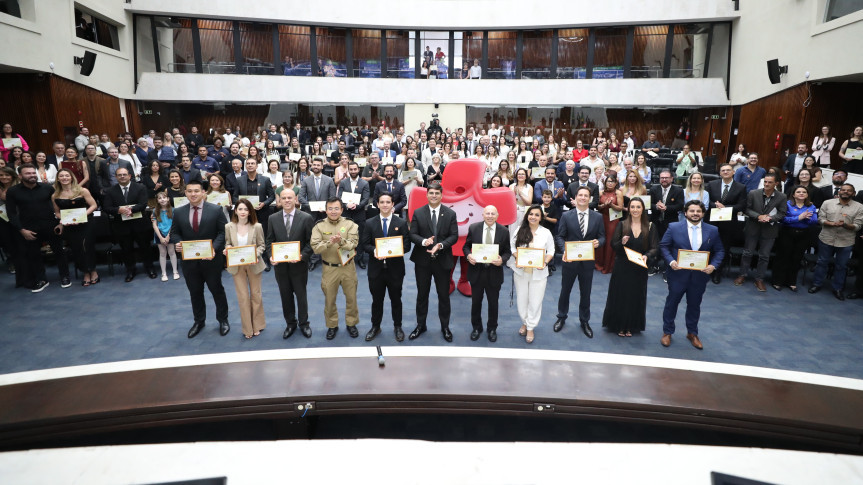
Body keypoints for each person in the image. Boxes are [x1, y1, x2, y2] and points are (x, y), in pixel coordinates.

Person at [659, 200, 724, 349]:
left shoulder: (712, 230)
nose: (695, 214)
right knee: (672, 303)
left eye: (698, 211)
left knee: (694, 305)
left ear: (703, 213)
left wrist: (713, 265)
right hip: (677, 274)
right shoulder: (674, 227)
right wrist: (670, 262)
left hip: (699, 276)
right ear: (685, 212)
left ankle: (692, 333)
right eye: (692, 211)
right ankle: (667, 332)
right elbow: (664, 246)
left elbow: (720, 250)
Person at [170, 179, 230, 338]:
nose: (193, 194)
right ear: (185, 193)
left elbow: (223, 233)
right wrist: (177, 243)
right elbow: (175, 233)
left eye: (196, 191)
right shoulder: (179, 211)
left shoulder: (216, 210)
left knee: (217, 290)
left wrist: (213, 248)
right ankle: (199, 321)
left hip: (211, 260)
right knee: (195, 292)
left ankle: (223, 320)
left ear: (204, 192)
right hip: (189, 262)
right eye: (189, 191)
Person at [5, 164, 71, 291]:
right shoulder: (13, 192)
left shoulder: (47, 188)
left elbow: (58, 206)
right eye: (28, 173)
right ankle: (42, 279)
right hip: (29, 229)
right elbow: (11, 213)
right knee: (34, 255)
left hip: (51, 226)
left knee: (60, 253)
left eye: (33, 173)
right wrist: (21, 230)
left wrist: (61, 223)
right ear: (20, 176)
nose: (32, 175)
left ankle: (65, 276)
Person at [408, 182, 458, 342]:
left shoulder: (450, 213)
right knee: (422, 295)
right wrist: (423, 242)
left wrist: (441, 245)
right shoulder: (418, 212)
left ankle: (445, 326)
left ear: (441, 195)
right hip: (422, 262)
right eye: (431, 193)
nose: (434, 196)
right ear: (427, 195)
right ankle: (420, 325)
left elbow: (454, 236)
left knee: (444, 295)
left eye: (437, 193)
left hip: (443, 261)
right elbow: (412, 234)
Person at [602, 198, 659, 336]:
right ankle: (620, 325)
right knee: (621, 295)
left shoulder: (650, 226)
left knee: (635, 296)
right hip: (622, 265)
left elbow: (655, 248)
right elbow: (613, 245)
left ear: (642, 209)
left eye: (638, 207)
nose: (635, 210)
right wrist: (621, 242)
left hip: (639, 266)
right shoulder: (622, 225)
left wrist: (647, 256)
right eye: (632, 207)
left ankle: (631, 326)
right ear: (628, 209)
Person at [554, 186, 605, 338]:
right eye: (580, 195)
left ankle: (584, 321)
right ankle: (561, 317)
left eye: (586, 195)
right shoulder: (566, 216)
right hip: (570, 261)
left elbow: (603, 237)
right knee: (565, 291)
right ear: (575, 197)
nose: (583, 198)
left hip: (588, 262)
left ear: (589, 199)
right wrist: (564, 251)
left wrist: (599, 243)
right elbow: (560, 237)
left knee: (586, 293)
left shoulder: (598, 217)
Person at [360, 192, 411, 342]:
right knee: (377, 300)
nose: (385, 205)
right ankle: (375, 326)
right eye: (382, 202)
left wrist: (394, 251)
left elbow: (407, 246)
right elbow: (365, 244)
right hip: (376, 270)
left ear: (392, 204)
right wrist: (375, 251)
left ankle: (398, 326)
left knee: (396, 299)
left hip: (395, 269)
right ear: (377, 204)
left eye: (388, 202)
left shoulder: (401, 223)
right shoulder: (370, 223)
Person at [311, 197, 360, 340]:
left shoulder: (350, 224)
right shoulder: (319, 226)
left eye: (336, 208)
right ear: (326, 210)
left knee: (351, 298)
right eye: (330, 208)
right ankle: (332, 325)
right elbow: (315, 248)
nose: (333, 211)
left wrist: (341, 241)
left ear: (342, 210)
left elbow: (353, 243)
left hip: (347, 267)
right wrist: (328, 243)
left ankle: (351, 323)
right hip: (329, 268)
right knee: (330, 299)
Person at [268, 189, 315, 339]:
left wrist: (302, 256)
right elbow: (269, 241)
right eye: (283, 198)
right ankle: (290, 323)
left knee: (301, 296)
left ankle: (304, 323)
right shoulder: (272, 218)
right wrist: (270, 256)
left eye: (290, 197)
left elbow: (311, 242)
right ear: (279, 200)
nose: (287, 200)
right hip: (280, 267)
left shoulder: (306, 218)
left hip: (298, 266)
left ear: (296, 199)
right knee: (285, 296)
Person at [464, 205, 512, 342]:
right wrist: (468, 256)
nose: (490, 216)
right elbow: (466, 246)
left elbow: (507, 251)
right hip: (476, 273)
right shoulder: (473, 228)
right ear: (483, 215)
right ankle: (476, 328)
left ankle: (492, 329)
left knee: (493, 304)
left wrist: (502, 259)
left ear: (497, 216)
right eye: (487, 213)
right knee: (476, 303)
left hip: (494, 273)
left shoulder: (503, 231)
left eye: (493, 214)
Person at [507, 205, 555, 344]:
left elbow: (551, 251)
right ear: (527, 215)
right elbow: (512, 247)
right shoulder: (519, 230)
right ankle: (524, 322)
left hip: (539, 273)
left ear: (541, 218)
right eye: (531, 214)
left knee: (535, 301)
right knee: (522, 300)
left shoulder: (546, 232)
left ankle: (530, 327)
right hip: (521, 272)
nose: (533, 217)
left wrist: (545, 262)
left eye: (537, 215)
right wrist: (517, 257)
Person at [733, 173, 787, 292]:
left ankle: (759, 279)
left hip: (769, 230)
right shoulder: (753, 193)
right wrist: (759, 216)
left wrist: (770, 219)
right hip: (753, 227)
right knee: (747, 253)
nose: (767, 184)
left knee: (764, 256)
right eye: (765, 182)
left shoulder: (782, 196)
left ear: (776, 183)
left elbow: (782, 213)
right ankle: (742, 275)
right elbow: (746, 209)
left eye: (770, 182)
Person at [808, 183, 863, 300]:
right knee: (822, 262)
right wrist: (831, 223)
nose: (845, 192)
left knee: (841, 266)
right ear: (839, 192)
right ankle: (816, 284)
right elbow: (820, 219)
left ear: (853, 193)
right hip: (826, 238)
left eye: (849, 190)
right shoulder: (827, 203)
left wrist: (846, 225)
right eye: (843, 190)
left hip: (845, 241)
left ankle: (837, 288)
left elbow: (858, 225)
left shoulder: (859, 207)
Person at [102, 167, 156, 281]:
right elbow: (106, 207)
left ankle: (150, 268)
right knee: (126, 250)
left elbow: (143, 203)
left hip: (140, 224)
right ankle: (130, 270)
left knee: (145, 248)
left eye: (124, 174)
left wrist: (131, 210)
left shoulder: (140, 187)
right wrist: (119, 210)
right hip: (121, 226)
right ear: (116, 177)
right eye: (119, 175)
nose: (122, 176)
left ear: (129, 176)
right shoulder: (110, 191)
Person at [225, 199, 267, 339]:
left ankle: (258, 325)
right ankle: (247, 328)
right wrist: (227, 249)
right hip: (236, 266)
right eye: (240, 209)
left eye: (246, 209)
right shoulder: (229, 226)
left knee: (256, 295)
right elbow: (227, 243)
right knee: (243, 297)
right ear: (235, 210)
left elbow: (262, 245)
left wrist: (256, 254)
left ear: (250, 212)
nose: (243, 212)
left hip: (254, 264)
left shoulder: (257, 226)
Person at [51, 167, 99, 287]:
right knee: (76, 248)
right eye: (61, 176)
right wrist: (63, 220)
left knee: (86, 246)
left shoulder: (82, 190)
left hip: (87, 222)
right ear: (58, 179)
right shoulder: (55, 195)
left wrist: (81, 216)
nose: (64, 178)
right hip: (69, 225)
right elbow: (57, 212)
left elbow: (93, 205)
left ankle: (93, 271)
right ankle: (85, 272)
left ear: (71, 177)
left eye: (67, 175)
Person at [705, 163, 747, 283]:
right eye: (723, 170)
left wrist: (725, 207)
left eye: (728, 170)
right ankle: (707, 270)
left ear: (733, 172)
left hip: (728, 223)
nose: (725, 172)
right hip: (712, 221)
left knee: (723, 248)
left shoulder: (741, 187)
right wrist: (716, 205)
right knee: (709, 246)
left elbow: (741, 205)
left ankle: (717, 272)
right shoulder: (712, 184)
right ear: (720, 173)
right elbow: (707, 202)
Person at [771, 186, 818, 291]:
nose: (801, 193)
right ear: (793, 194)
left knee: (796, 258)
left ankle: (791, 281)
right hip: (787, 233)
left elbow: (814, 221)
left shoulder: (811, 206)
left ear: (807, 195)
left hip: (803, 235)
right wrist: (799, 218)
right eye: (798, 192)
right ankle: (777, 281)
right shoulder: (787, 204)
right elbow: (783, 219)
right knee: (783, 257)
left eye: (804, 192)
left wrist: (802, 219)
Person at [299, 159, 337, 271]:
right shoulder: (306, 180)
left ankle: (328, 257)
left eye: (318, 165)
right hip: (311, 214)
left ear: (322, 167)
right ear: (311, 166)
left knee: (327, 235)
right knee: (312, 237)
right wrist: (311, 206)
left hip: (326, 213)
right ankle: (313, 259)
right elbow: (301, 197)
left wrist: (326, 207)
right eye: (314, 165)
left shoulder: (329, 180)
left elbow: (333, 197)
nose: (316, 166)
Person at [337, 161, 370, 268]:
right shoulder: (343, 182)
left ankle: (359, 258)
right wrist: (346, 205)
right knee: (345, 236)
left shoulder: (364, 183)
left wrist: (357, 206)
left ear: (358, 169)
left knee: (359, 237)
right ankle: (346, 258)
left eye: (355, 169)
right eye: (351, 169)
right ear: (348, 170)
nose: (353, 171)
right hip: (346, 214)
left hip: (359, 214)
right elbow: (339, 197)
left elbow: (366, 199)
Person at [595, 174, 624, 274]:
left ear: (616, 183)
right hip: (601, 218)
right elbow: (597, 207)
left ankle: (608, 265)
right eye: (608, 181)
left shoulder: (618, 193)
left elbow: (620, 208)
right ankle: (599, 263)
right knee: (601, 240)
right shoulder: (600, 192)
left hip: (613, 220)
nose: (610, 183)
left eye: (612, 181)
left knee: (610, 241)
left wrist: (611, 205)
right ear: (605, 183)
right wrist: (604, 205)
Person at [151, 191, 180, 281]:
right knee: (162, 253)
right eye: (160, 198)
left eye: (164, 197)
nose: (162, 200)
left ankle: (175, 271)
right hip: (159, 234)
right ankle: (164, 273)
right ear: (157, 200)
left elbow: (174, 224)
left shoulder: (174, 210)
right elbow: (154, 225)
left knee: (172, 252)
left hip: (170, 234)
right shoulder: (155, 211)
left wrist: (168, 236)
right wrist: (160, 237)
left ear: (168, 199)